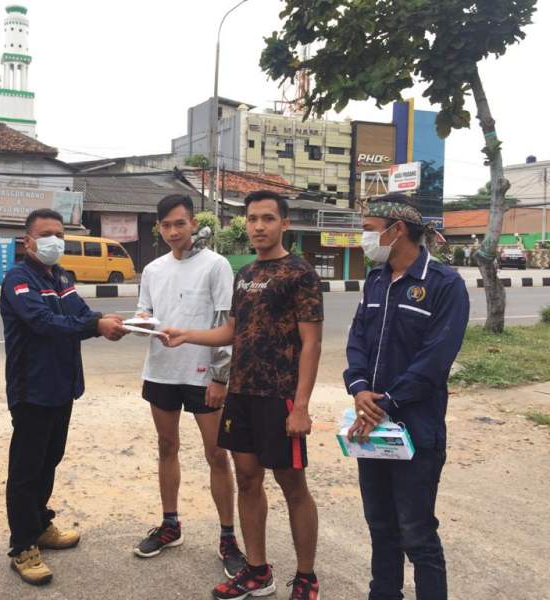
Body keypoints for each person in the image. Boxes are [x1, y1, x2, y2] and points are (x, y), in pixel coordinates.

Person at [163, 190, 323, 600]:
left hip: (280, 397)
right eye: (252, 219)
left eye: (268, 218)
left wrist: (301, 406)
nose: (258, 226)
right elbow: (231, 331)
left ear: (284, 223)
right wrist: (187, 335)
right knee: (248, 480)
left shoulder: (300, 274)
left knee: (293, 486)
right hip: (242, 394)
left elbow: (311, 344)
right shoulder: (244, 273)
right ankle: (256, 570)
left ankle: (306, 576)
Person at [344, 193, 470, 600]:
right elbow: (357, 339)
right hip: (371, 427)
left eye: (368, 230)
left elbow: (435, 360)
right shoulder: (377, 280)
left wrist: (384, 405)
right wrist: (359, 388)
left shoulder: (445, 285)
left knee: (417, 534)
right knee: (381, 529)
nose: (364, 239)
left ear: (396, 231)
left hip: (416, 428)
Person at [0, 208, 127, 586]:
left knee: (49, 460)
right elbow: (43, 323)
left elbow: (80, 314)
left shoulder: (62, 277)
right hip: (32, 391)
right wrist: (93, 325)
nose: (54, 239)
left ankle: (39, 525)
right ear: (28, 241)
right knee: (26, 471)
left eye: (59, 233)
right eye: (46, 233)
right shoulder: (18, 280)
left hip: (61, 388)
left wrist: (111, 323)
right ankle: (22, 546)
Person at [132, 194, 245, 578]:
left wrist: (219, 376)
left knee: (216, 454)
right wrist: (142, 321)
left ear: (193, 223)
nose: (173, 232)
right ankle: (170, 524)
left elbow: (227, 324)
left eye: (180, 223)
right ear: (159, 227)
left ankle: (228, 537)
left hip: (201, 375)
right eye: (166, 225)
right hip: (161, 370)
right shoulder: (152, 270)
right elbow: (145, 310)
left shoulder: (216, 266)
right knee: (167, 446)